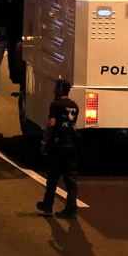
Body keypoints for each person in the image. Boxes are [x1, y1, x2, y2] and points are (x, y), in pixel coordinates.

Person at [37, 79, 80, 219]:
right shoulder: (74, 106)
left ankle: (47, 205)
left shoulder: (55, 105)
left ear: (60, 89)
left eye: (55, 88)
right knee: (71, 179)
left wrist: (44, 141)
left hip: (58, 146)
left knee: (53, 176)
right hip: (71, 146)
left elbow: (51, 124)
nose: (53, 90)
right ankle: (71, 207)